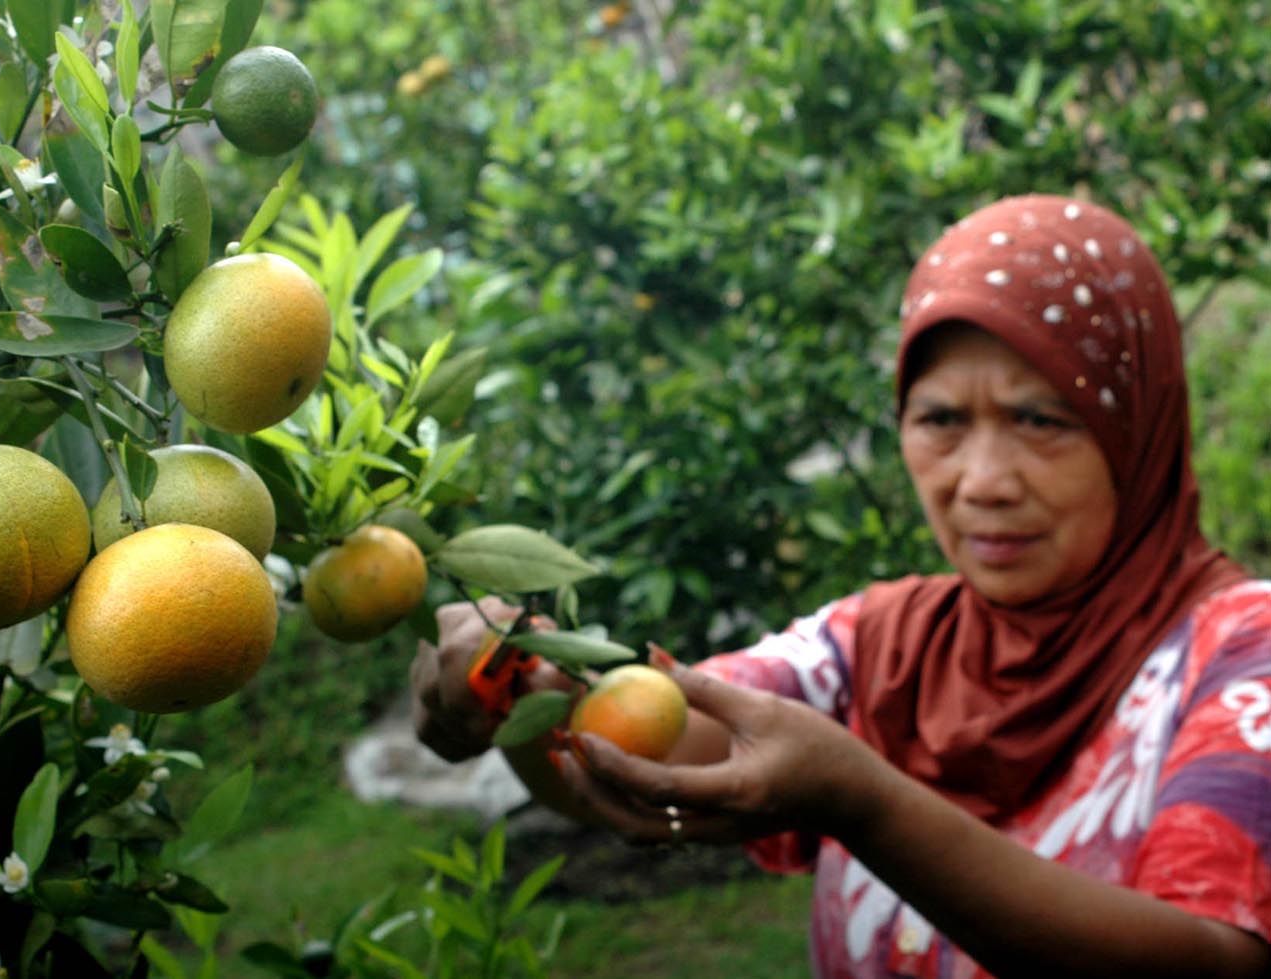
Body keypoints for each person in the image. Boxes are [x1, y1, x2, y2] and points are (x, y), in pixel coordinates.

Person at [410, 194, 1271, 978]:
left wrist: (866, 804)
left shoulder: (1241, 659)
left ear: (1137, 428)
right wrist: (520, 694)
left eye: (1040, 420)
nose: (980, 481)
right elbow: (657, 751)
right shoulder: (880, 645)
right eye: (939, 420)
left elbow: (1207, 959)